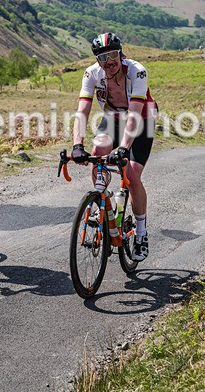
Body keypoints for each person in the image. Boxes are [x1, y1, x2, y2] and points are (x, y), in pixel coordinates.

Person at [71, 32, 157, 261]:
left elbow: (135, 114)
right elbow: (82, 111)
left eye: (112, 55)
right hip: (113, 119)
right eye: (103, 57)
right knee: (97, 153)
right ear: (97, 60)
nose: (109, 61)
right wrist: (77, 144)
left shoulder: (136, 70)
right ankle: (103, 203)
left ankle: (140, 232)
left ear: (121, 54)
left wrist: (123, 148)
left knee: (130, 173)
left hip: (141, 122)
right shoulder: (92, 74)